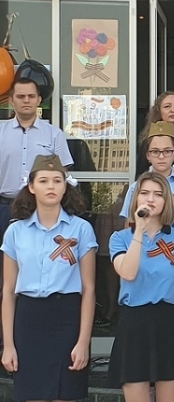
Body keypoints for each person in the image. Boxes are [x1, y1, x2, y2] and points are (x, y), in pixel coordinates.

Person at [0, 155, 96, 402]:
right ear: (31, 187)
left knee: (66, 395)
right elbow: (8, 291)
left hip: (67, 319)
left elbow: (89, 289)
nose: (51, 186)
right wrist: (8, 345)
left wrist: (83, 342)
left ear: (65, 186)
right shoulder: (15, 231)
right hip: (29, 321)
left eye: (57, 180)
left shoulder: (81, 229)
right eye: (43, 181)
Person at [108, 172, 174, 400]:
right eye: (145, 193)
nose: (150, 199)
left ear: (166, 200)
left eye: (158, 194)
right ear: (135, 198)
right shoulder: (120, 238)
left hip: (169, 323)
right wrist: (139, 230)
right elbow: (128, 272)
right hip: (134, 324)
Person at [0, 78, 73, 258]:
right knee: (4, 261)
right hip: (4, 206)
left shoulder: (54, 134)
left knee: (37, 259)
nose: (26, 100)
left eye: (31, 96)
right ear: (11, 100)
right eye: (21, 96)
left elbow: (62, 174)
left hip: (39, 208)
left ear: (39, 100)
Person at [120, 122, 174, 237]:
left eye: (167, 151)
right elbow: (128, 228)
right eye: (155, 151)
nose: (161, 156)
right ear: (148, 156)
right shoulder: (135, 188)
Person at [136, 91, 174, 179]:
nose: (173, 110)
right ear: (159, 111)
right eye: (167, 106)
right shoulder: (149, 142)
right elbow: (140, 176)